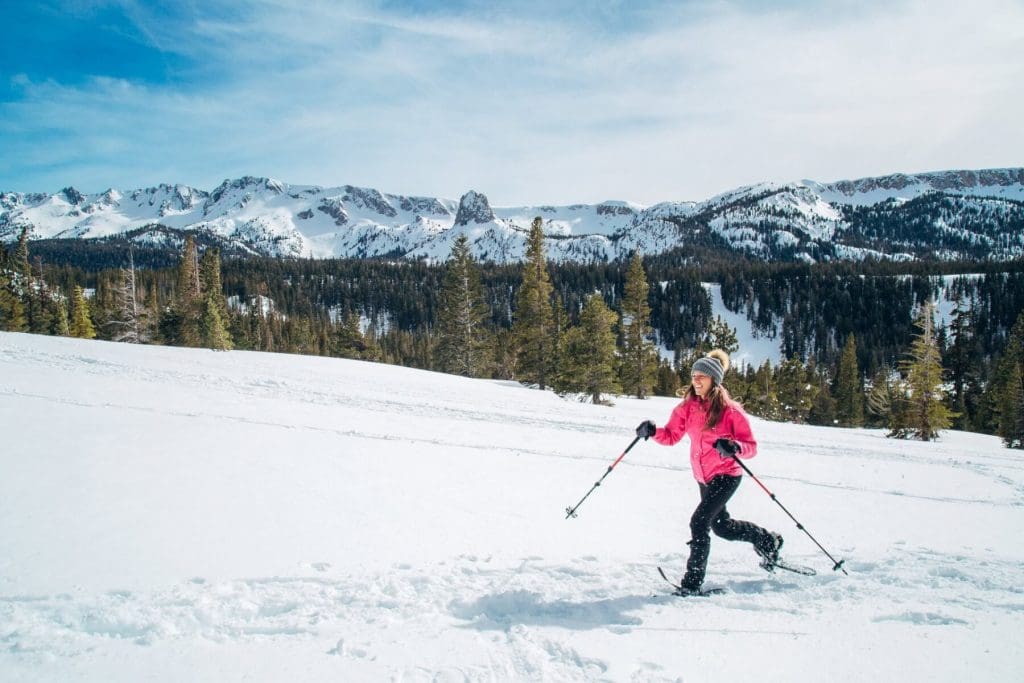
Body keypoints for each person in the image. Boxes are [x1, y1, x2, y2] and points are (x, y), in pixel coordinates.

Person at [636, 349, 782, 594]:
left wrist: (734, 446)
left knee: (699, 522)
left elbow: (751, 448)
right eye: (694, 375)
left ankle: (692, 584)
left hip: (727, 475)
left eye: (702, 375)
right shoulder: (686, 408)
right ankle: (768, 540)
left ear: (714, 380)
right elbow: (671, 436)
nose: (696, 379)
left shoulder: (730, 411)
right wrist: (652, 431)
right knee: (722, 527)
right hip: (703, 477)